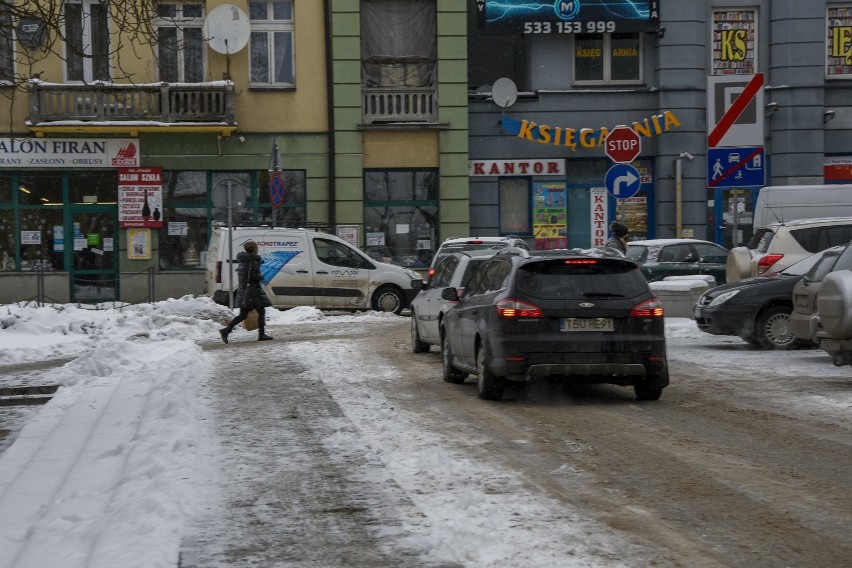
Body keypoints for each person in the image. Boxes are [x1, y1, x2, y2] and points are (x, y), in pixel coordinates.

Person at [219, 240, 273, 343]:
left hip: (244, 290)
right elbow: (255, 277)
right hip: (253, 292)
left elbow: (244, 275)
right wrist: (261, 276)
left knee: (243, 315)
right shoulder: (253, 261)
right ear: (254, 249)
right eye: (256, 247)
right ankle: (261, 334)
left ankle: (226, 330)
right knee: (261, 311)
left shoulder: (243, 261)